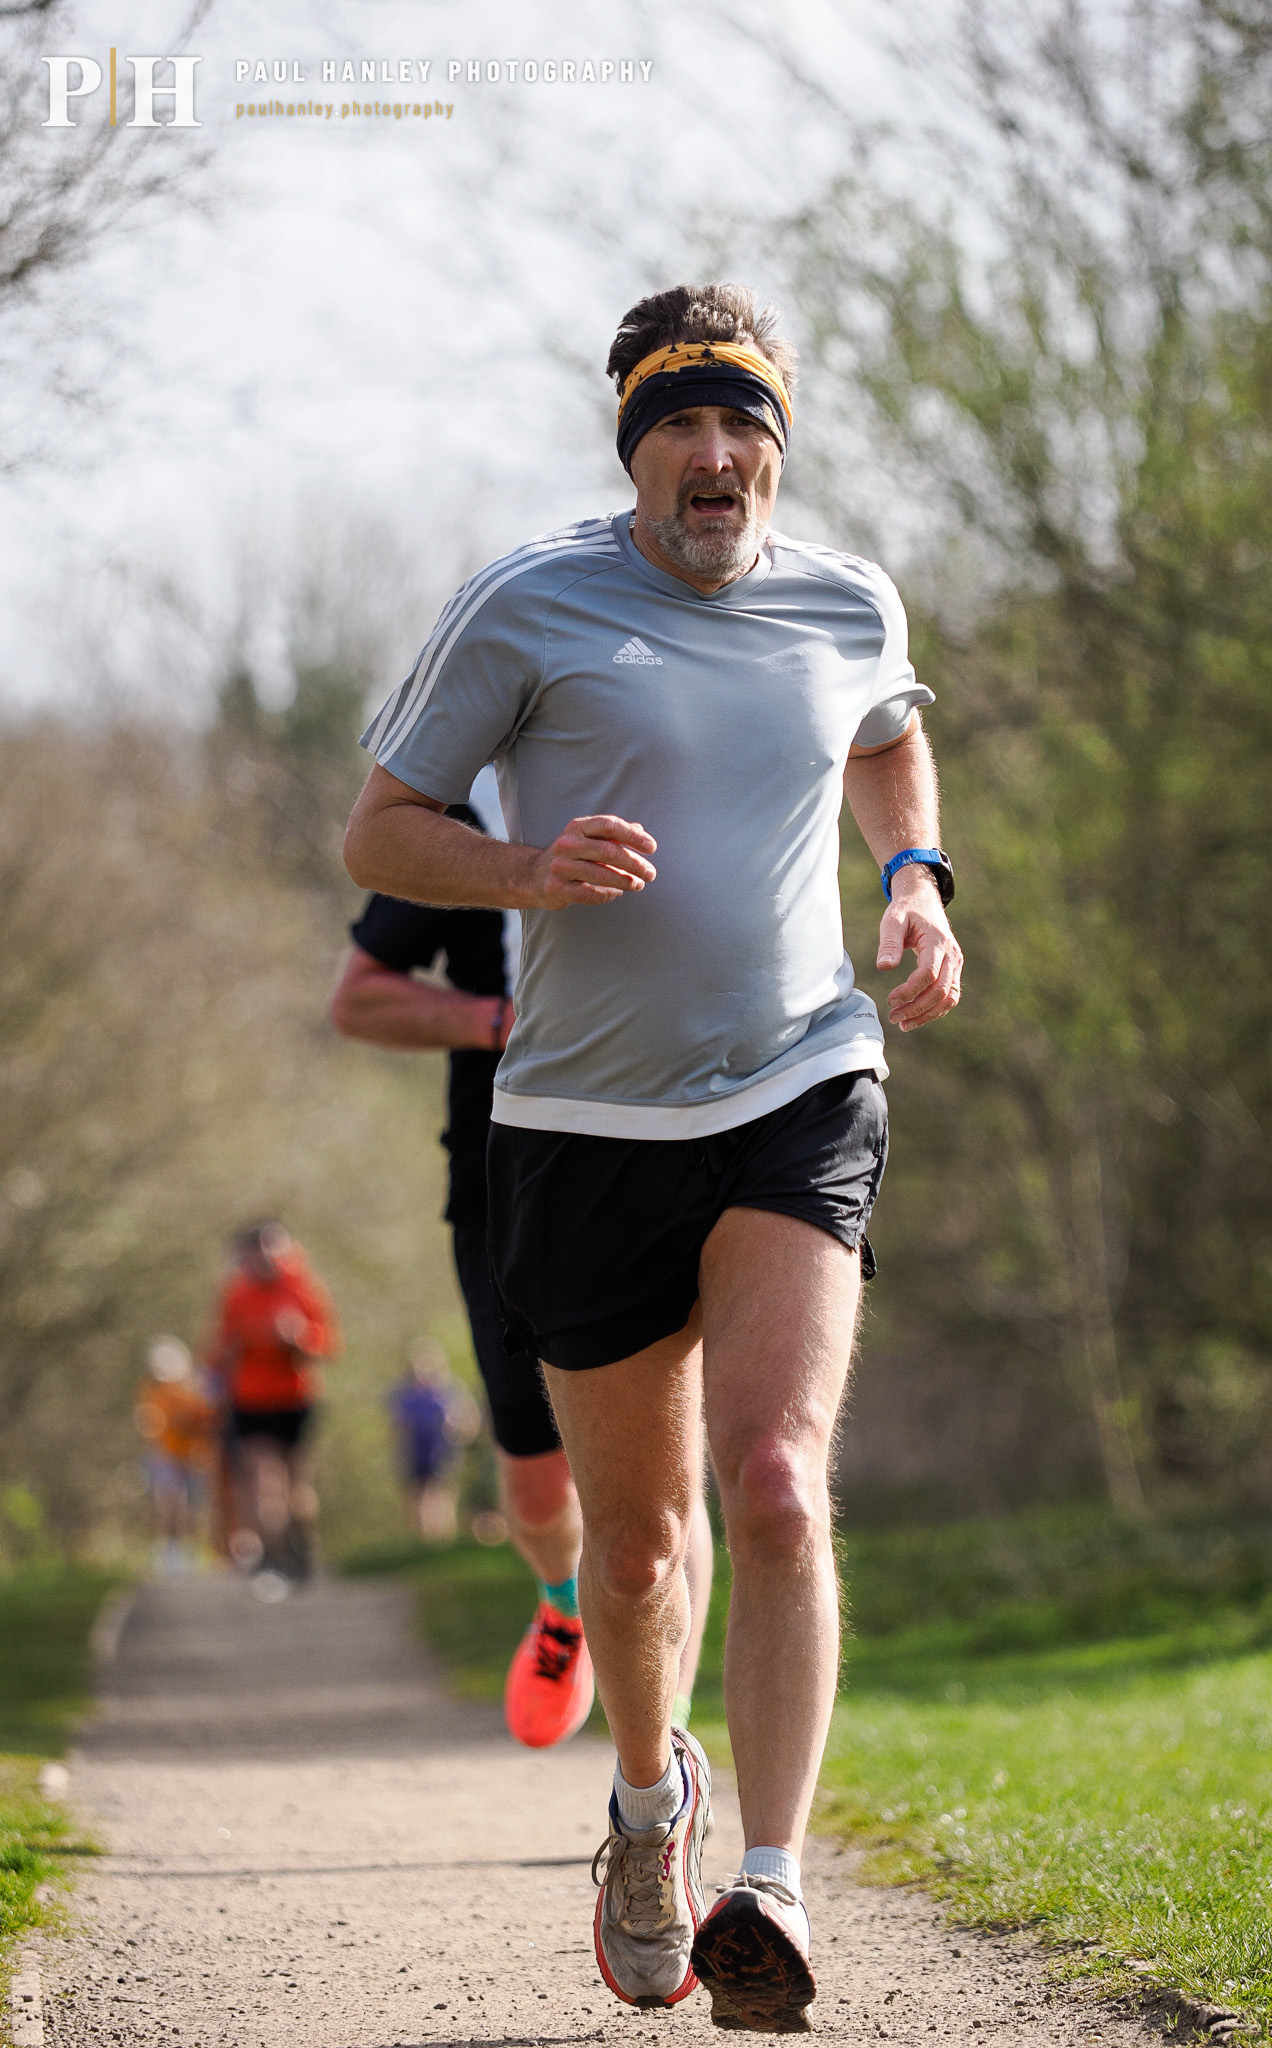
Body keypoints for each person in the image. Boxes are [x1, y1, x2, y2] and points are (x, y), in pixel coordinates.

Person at [342, 281, 962, 2031]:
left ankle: (768, 1883)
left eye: (740, 424)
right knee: (632, 1553)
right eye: (678, 426)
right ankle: (645, 1807)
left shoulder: (847, 599)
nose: (714, 454)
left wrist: (915, 881)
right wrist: (522, 874)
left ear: (776, 444)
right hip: (582, 1123)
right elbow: (377, 827)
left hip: (797, 1079)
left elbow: (891, 734)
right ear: (635, 450)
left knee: (773, 1483)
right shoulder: (526, 602)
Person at [331, 813, 715, 1748]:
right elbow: (358, 1000)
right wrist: (496, 1019)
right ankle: (561, 1604)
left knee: (668, 1475)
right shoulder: (465, 830)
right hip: (504, 1186)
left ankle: (663, 1751)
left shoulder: (671, 787)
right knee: (541, 1495)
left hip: (665, 1156)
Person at [203, 1221, 340, 1590]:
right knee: (264, 1479)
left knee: (296, 1479)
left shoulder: (304, 1286)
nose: (264, 1255)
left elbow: (329, 1346)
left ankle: (300, 1545)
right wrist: (237, 1346)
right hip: (250, 1400)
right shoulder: (236, 1292)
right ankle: (274, 1555)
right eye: (257, 1248)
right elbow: (219, 1348)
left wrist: (298, 1339)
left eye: (271, 1246)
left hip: (295, 1397)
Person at [133, 1335, 216, 1575]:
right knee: (168, 1502)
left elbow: (207, 1421)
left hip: (194, 1455)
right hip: (165, 1456)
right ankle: (171, 1549)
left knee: (195, 1506)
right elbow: (148, 1424)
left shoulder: (195, 1389)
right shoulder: (150, 1391)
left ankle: (191, 1548)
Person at [388, 1339, 481, 1543]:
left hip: (443, 1450)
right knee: (416, 1494)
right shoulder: (404, 1392)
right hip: (414, 1452)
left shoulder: (450, 1389)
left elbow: (470, 1418)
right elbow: (396, 1423)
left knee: (440, 1493)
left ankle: (441, 1539)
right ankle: (421, 1540)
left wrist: (459, 1430)